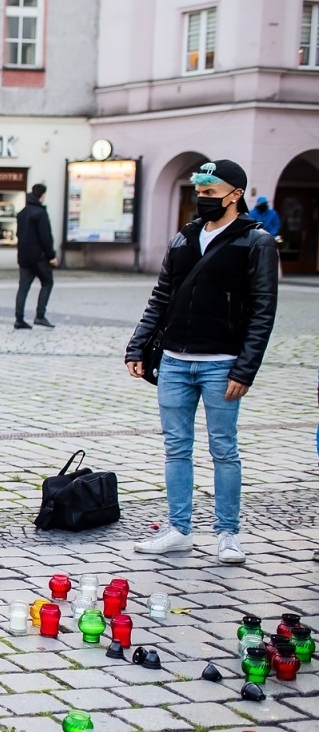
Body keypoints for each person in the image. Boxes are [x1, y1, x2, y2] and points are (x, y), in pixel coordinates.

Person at [126, 158, 278, 565]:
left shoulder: (256, 241)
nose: (202, 199)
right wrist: (137, 346)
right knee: (176, 448)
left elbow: (263, 310)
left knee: (224, 450)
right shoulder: (185, 237)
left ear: (235, 194)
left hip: (221, 364)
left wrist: (245, 369)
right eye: (199, 192)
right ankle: (179, 530)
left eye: (210, 192)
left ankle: (228, 534)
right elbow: (161, 296)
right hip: (174, 361)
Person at [15, 183, 57, 329]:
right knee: (47, 282)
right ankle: (40, 316)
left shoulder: (22, 213)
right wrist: (51, 256)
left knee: (23, 287)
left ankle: (19, 318)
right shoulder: (40, 213)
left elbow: (18, 234)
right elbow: (46, 237)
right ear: (42, 195)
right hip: (38, 257)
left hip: (23, 256)